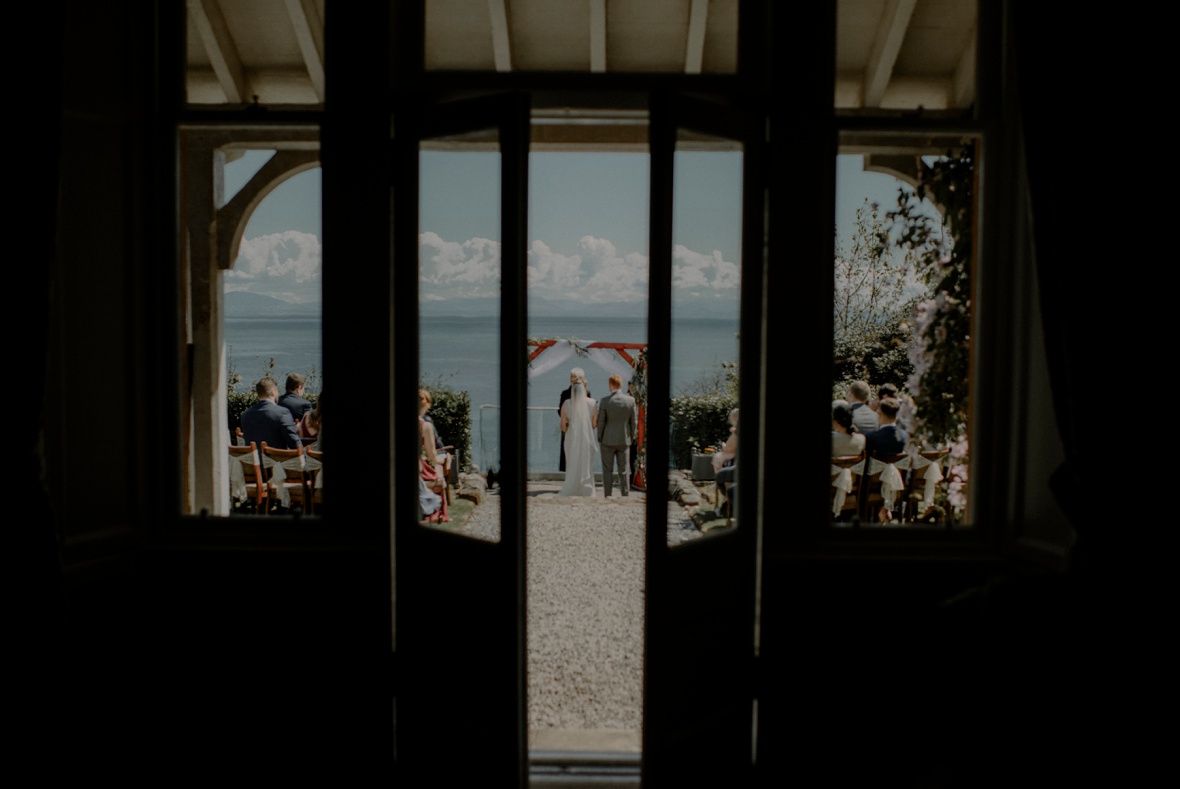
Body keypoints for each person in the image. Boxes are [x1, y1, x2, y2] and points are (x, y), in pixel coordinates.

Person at [557, 371, 597, 497]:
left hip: (571, 437)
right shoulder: (592, 403)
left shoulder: (566, 404)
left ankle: (571, 487)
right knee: (586, 462)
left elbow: (563, 426)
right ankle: (586, 489)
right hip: (586, 438)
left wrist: (569, 426)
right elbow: (594, 424)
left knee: (572, 462)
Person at [596, 374, 637, 497]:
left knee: (607, 470)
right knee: (624, 470)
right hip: (624, 440)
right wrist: (631, 437)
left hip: (607, 440)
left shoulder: (605, 401)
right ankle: (625, 494)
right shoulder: (631, 401)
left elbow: (601, 422)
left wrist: (600, 437)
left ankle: (608, 495)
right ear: (621, 385)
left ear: (611, 385)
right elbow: (633, 422)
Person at [241, 377, 301, 451]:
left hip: (252, 461)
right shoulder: (282, 413)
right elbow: (294, 443)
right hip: (277, 461)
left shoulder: (246, 414)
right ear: (273, 392)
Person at [419, 389, 449, 521]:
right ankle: (440, 512)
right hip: (420, 466)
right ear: (426, 405)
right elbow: (432, 456)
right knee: (438, 471)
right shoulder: (425, 426)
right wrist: (441, 459)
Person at [557, 368, 588, 472]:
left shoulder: (586, 393)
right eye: (571, 376)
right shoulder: (565, 393)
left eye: (574, 377)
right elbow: (559, 411)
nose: (572, 379)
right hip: (568, 426)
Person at [712, 408, 739, 517]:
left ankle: (727, 501)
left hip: (732, 458)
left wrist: (723, 446)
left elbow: (728, 447)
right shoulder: (736, 430)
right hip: (734, 458)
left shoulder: (737, 431)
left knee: (718, 462)